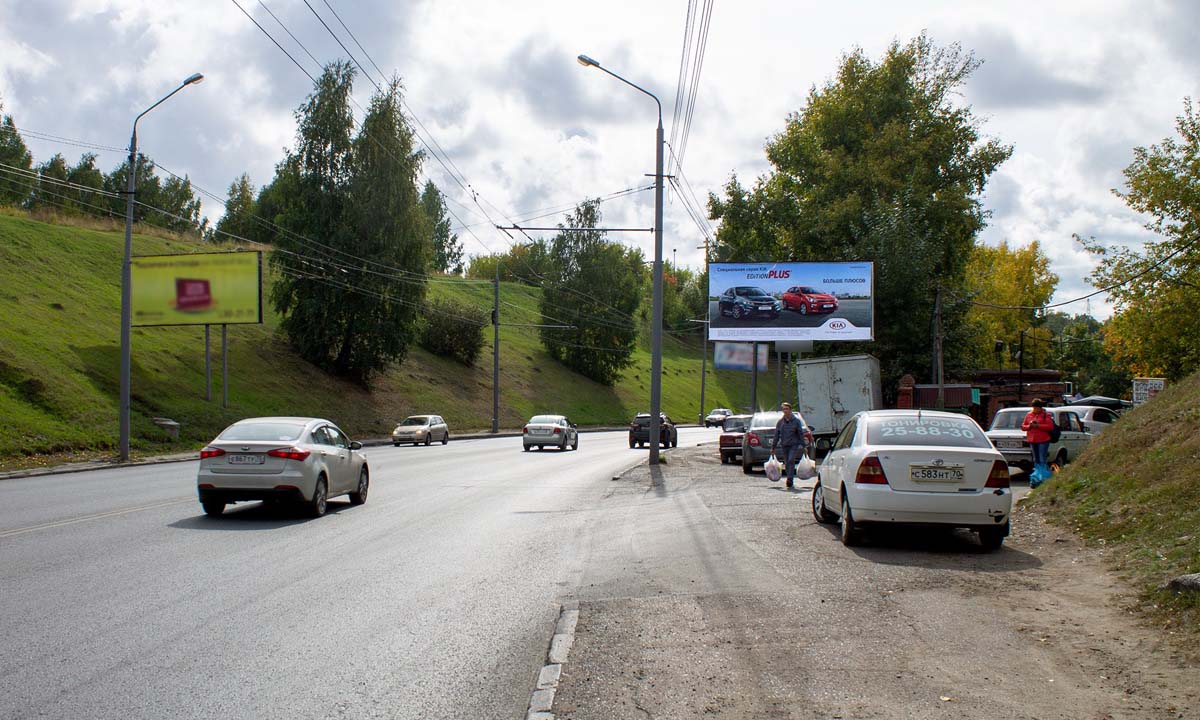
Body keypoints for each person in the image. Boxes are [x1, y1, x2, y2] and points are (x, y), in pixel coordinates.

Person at [771, 402, 813, 489]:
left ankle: (790, 479)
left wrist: (804, 446)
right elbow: (776, 435)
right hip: (784, 445)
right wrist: (773, 447)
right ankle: (789, 477)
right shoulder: (780, 422)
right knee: (787, 462)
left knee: (791, 460)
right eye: (784, 409)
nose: (785, 411)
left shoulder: (796, 421)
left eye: (787, 409)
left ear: (790, 410)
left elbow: (800, 434)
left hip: (794, 445)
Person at [1021, 398, 1054, 481]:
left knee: (1042, 458)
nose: (1035, 410)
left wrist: (1038, 425)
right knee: (1036, 459)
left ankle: (1043, 475)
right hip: (1033, 440)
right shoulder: (1029, 415)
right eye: (1034, 408)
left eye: (1037, 408)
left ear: (1040, 408)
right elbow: (1023, 427)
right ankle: (1037, 475)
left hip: (1043, 440)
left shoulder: (1046, 415)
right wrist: (1030, 426)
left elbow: (1050, 427)